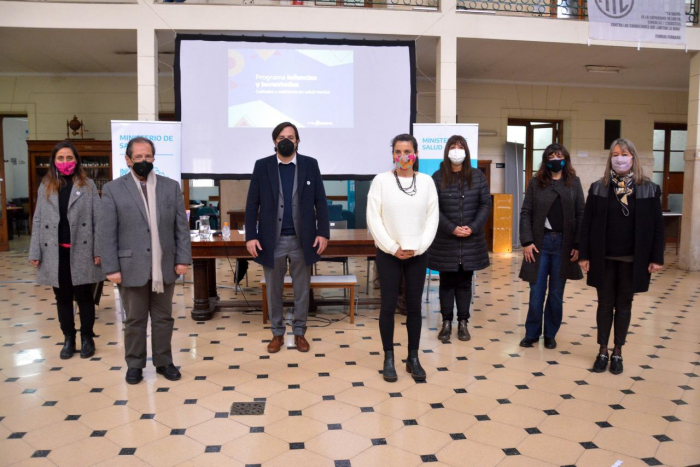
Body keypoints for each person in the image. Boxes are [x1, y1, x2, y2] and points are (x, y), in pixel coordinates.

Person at [98, 137, 191, 385]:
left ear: (153, 158)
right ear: (128, 160)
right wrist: (111, 268)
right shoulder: (113, 189)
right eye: (138, 157)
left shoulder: (170, 187)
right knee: (135, 320)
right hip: (130, 268)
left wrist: (183, 259)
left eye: (147, 156)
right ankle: (135, 365)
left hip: (165, 266)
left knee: (163, 318)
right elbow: (107, 233)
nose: (143, 161)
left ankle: (164, 362)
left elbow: (181, 227)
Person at [579, 138, 664, 375]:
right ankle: (602, 350)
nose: (619, 158)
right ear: (610, 159)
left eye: (624, 154)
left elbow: (658, 226)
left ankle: (618, 352)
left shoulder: (648, 188)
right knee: (605, 304)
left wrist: (656, 257)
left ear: (633, 158)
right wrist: (584, 254)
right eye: (615, 154)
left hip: (633, 259)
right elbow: (587, 224)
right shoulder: (598, 187)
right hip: (603, 257)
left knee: (624, 305)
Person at [245, 122, 330, 354]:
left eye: (291, 137)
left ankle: (300, 332)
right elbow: (252, 203)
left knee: (302, 289)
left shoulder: (309, 165)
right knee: (274, 290)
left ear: (298, 141)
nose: (286, 140)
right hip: (272, 240)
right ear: (274, 141)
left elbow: (320, 201)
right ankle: (277, 333)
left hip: (304, 239)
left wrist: (323, 232)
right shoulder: (262, 166)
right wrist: (250, 236)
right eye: (282, 137)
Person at [367, 134, 438, 382]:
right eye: (398, 151)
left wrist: (417, 248)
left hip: (417, 254)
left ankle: (413, 358)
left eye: (407, 151)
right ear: (392, 154)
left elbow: (432, 219)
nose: (402, 156)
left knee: (414, 307)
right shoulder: (381, 181)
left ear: (415, 154)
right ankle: (388, 358)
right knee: (387, 306)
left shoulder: (427, 182)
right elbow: (373, 218)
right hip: (389, 254)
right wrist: (392, 247)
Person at [28, 141, 104, 360]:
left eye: (69, 158)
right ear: (54, 161)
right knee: (62, 298)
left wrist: (98, 250)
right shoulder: (46, 186)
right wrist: (35, 252)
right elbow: (38, 219)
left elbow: (98, 221)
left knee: (84, 297)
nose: (65, 162)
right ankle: (68, 338)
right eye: (60, 158)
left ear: (76, 160)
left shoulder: (87, 186)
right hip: (55, 252)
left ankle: (87, 338)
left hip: (82, 250)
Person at [519, 143, 584, 350]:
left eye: (559, 155)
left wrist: (578, 243)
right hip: (540, 244)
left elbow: (581, 214)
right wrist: (527, 241)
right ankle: (531, 333)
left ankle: (550, 334)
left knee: (556, 293)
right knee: (536, 292)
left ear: (566, 159)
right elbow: (526, 212)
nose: (556, 159)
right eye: (552, 155)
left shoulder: (574, 183)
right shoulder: (536, 182)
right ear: (546, 159)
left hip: (564, 245)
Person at [428, 136, 491, 342]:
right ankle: (446, 322)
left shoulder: (477, 176)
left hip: (471, 241)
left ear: (466, 151)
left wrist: (471, 228)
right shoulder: (438, 177)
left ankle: (463, 323)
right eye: (453, 147)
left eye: (460, 146)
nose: (457, 150)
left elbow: (485, 205)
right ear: (446, 151)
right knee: (446, 283)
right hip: (445, 241)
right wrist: (452, 228)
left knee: (465, 283)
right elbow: (433, 209)